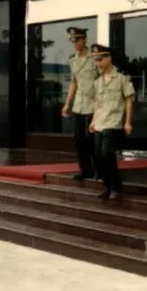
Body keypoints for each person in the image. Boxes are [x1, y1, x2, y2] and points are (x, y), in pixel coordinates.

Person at [88, 44, 134, 200]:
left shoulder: (121, 78)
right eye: (96, 60)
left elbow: (128, 100)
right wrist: (93, 120)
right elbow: (97, 102)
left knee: (106, 152)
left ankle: (116, 187)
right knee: (97, 155)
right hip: (100, 121)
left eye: (100, 59)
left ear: (109, 58)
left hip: (114, 121)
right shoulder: (97, 81)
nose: (98, 63)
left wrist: (128, 122)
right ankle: (108, 186)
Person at [60, 26, 98, 181]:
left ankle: (99, 170)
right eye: (72, 41)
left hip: (94, 105)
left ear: (85, 39)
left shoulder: (95, 58)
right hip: (79, 105)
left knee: (93, 140)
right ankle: (86, 170)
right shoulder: (73, 60)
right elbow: (73, 83)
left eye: (77, 40)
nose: (74, 43)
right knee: (79, 139)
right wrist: (67, 104)